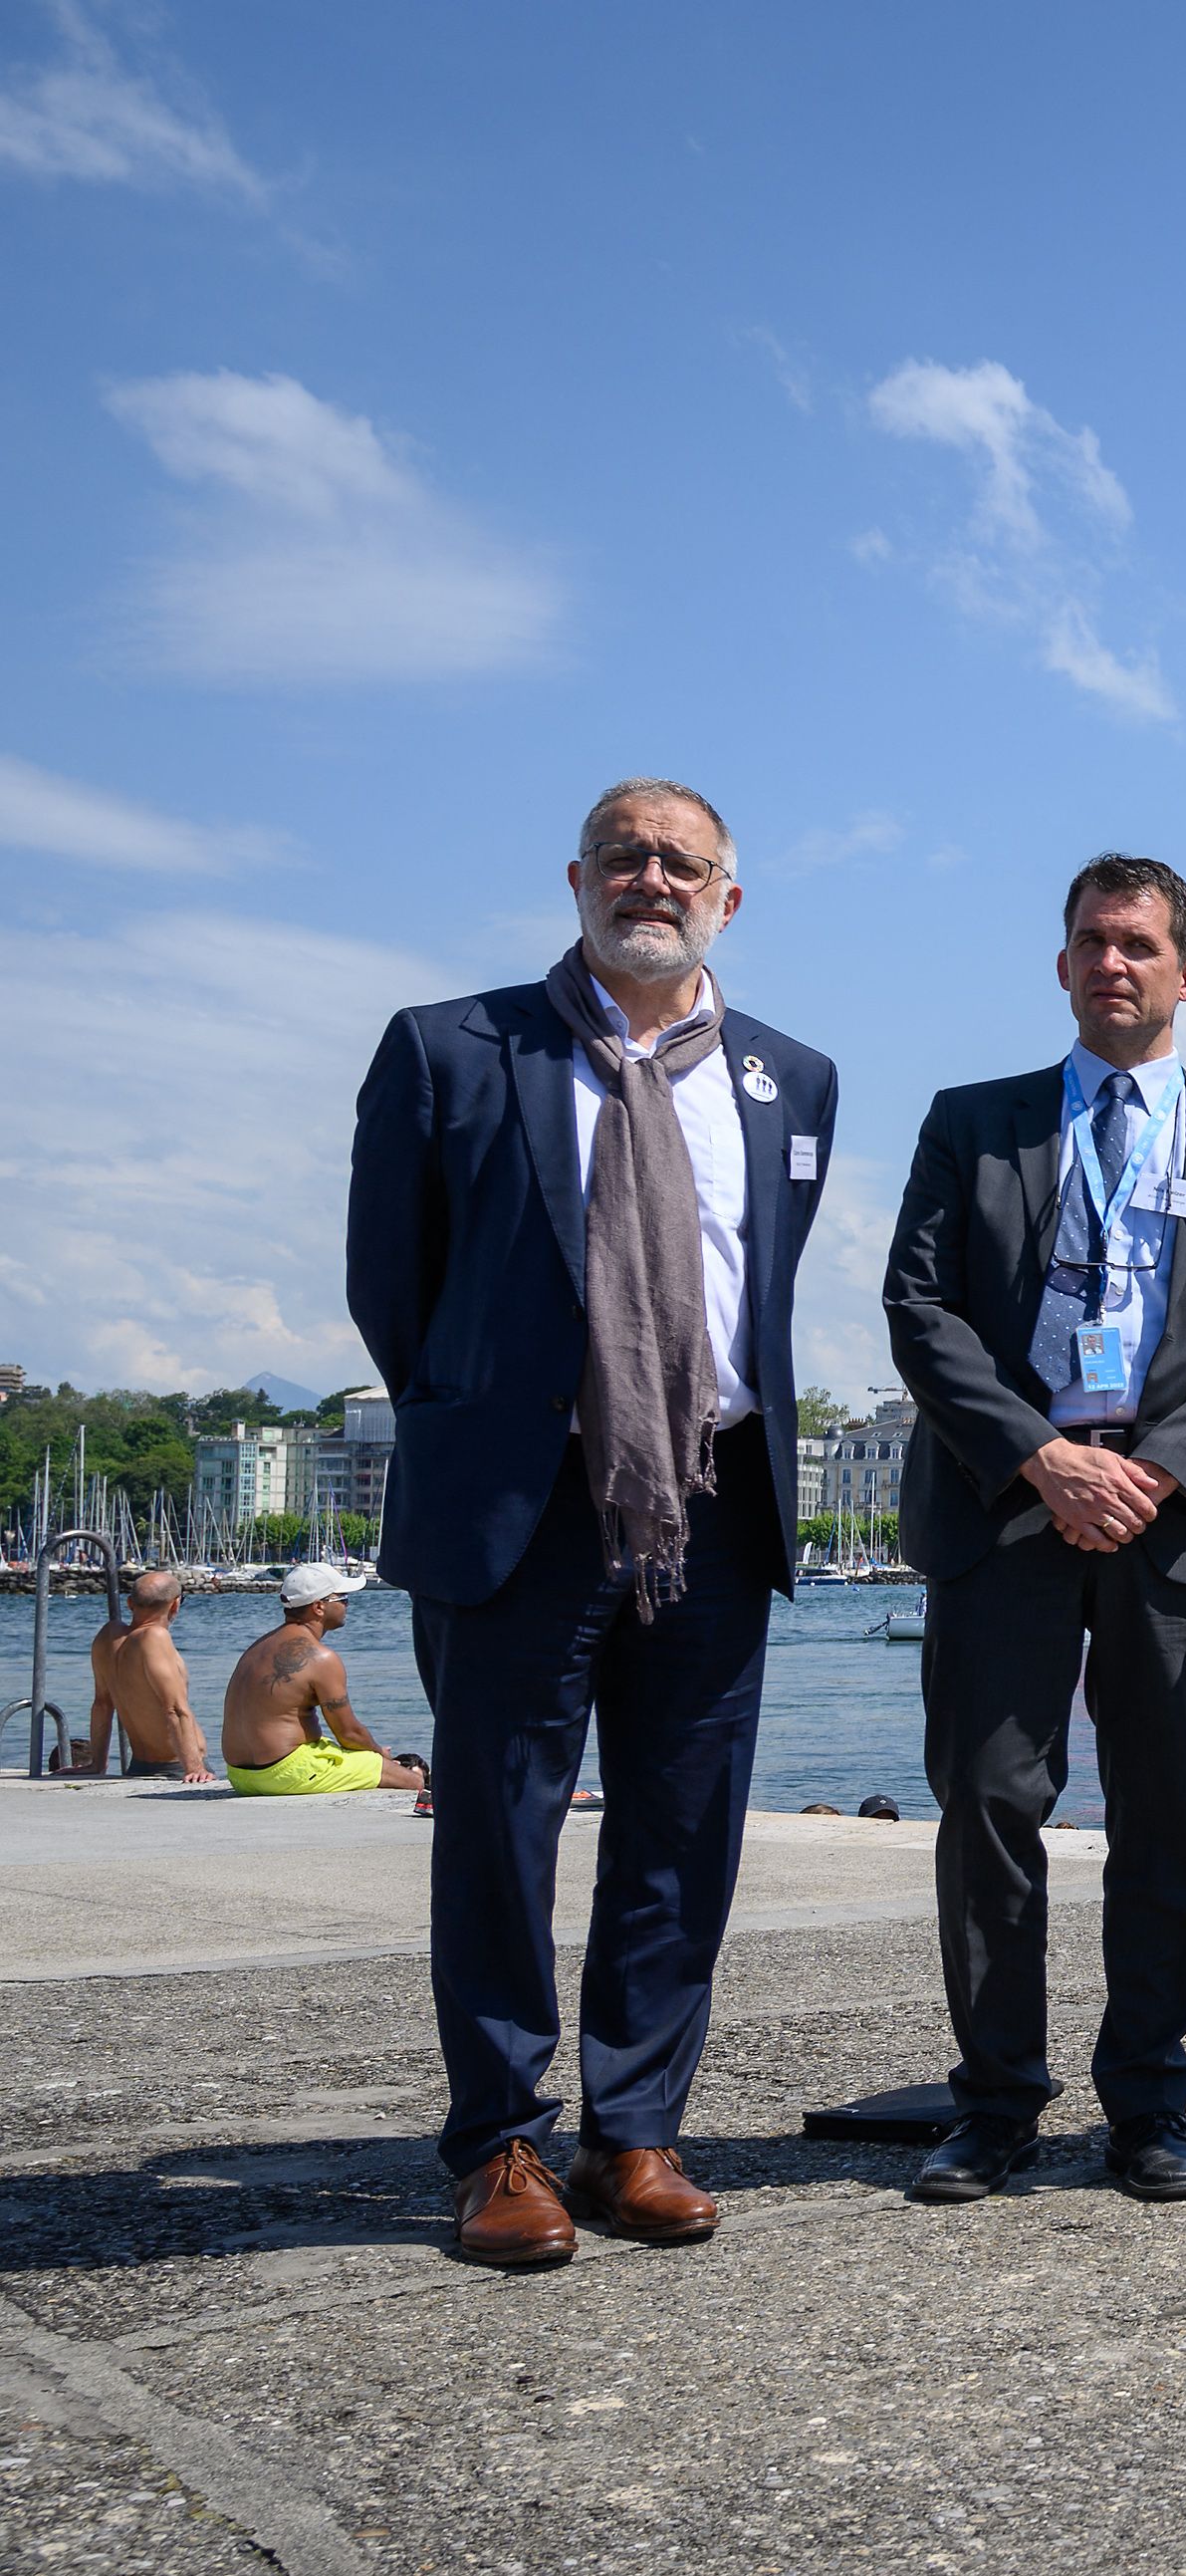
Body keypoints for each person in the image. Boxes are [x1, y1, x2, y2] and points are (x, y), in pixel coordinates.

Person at [347, 776, 837, 2266]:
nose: (651, 878)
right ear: (575, 878)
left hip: (711, 1498)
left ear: (727, 900)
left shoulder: (790, 1078)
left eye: (682, 862)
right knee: (501, 1825)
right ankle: (499, 2135)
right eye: (624, 855)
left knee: (684, 1829)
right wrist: (499, 1415)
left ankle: (636, 2129)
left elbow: (762, 1277)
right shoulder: (451, 1048)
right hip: (524, 1501)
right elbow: (394, 1287)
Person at [881, 855, 1186, 2205]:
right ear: (1061, 965)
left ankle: (1149, 2106)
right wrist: (1040, 1455)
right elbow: (920, 1309)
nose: (1111, 963)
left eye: (1138, 944)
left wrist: (1161, 1468)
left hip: (1172, 1519)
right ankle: (995, 2104)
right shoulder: (974, 1121)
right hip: (1005, 1502)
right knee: (994, 1804)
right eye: (1090, 942)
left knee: (1163, 1813)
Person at [218, 1568, 421, 1793]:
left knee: (336, 1750)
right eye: (343, 1598)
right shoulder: (321, 1658)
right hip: (282, 1773)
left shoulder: (258, 1647)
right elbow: (349, 1733)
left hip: (240, 1776)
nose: (348, 1605)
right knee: (411, 1779)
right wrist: (380, 1754)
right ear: (318, 1607)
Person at [87, 1572, 211, 1781]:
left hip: (139, 1766)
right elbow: (174, 1709)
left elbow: (102, 1705)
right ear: (175, 1605)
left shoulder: (108, 1635)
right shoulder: (154, 1637)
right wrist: (194, 1768)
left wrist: (97, 1765)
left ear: (129, 1603)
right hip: (177, 1767)